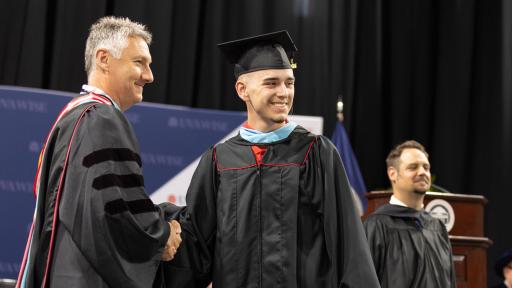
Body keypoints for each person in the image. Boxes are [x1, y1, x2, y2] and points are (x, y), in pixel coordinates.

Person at [161, 30, 380, 287]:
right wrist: (155, 226)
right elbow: (196, 248)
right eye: (271, 83)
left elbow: (349, 245)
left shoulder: (316, 153)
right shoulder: (219, 161)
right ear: (242, 90)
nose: (284, 92)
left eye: (289, 83)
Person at [16, 16, 181, 288]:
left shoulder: (76, 114)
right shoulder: (100, 118)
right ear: (104, 58)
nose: (149, 76)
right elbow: (110, 210)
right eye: (139, 62)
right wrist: (161, 234)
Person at [363, 140, 456, 287]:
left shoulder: (437, 227)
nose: (422, 172)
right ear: (393, 174)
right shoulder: (378, 225)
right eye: (413, 167)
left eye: (426, 167)